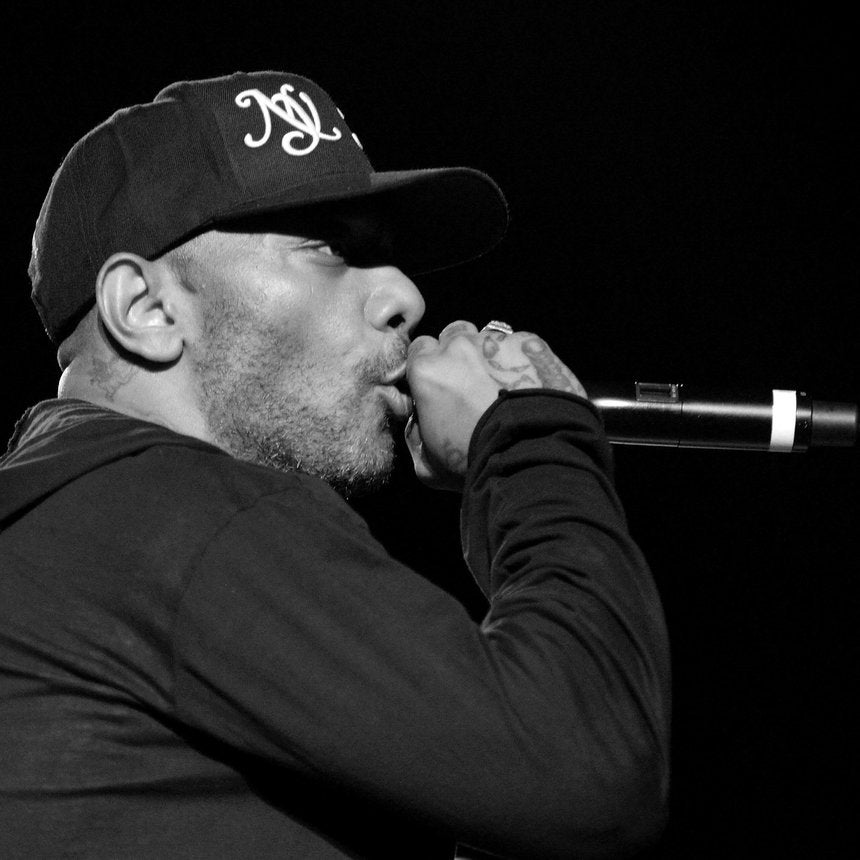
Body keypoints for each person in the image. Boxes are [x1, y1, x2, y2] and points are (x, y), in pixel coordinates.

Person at [0, 71, 670, 859]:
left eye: (383, 255)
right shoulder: (178, 513)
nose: (406, 296)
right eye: (328, 247)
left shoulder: (62, 528)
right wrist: (531, 439)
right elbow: (586, 770)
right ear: (147, 310)